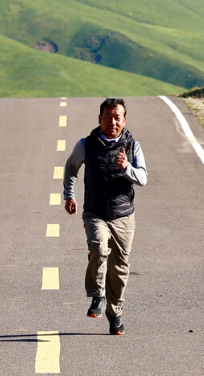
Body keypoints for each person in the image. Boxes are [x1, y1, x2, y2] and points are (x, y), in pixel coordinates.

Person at [62, 98, 148, 335]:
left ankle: (115, 312)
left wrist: (126, 168)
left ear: (124, 120)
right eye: (107, 116)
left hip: (123, 216)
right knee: (99, 247)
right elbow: (71, 168)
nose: (112, 121)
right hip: (95, 212)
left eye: (117, 117)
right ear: (99, 119)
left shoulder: (132, 146)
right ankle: (97, 296)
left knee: (120, 268)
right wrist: (69, 195)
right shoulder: (86, 145)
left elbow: (143, 178)